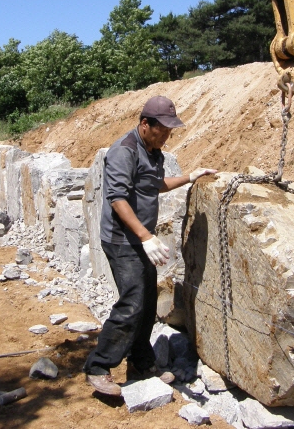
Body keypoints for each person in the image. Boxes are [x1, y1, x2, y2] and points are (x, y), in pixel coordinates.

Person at [83, 95, 216, 396]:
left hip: (141, 240)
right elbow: (117, 199)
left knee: (147, 305)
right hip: (122, 240)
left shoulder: (153, 151)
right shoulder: (124, 151)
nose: (168, 136)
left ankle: (142, 364)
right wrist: (146, 237)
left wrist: (190, 176)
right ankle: (98, 366)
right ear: (146, 124)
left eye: (171, 130)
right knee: (132, 303)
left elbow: (155, 184)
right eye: (163, 130)